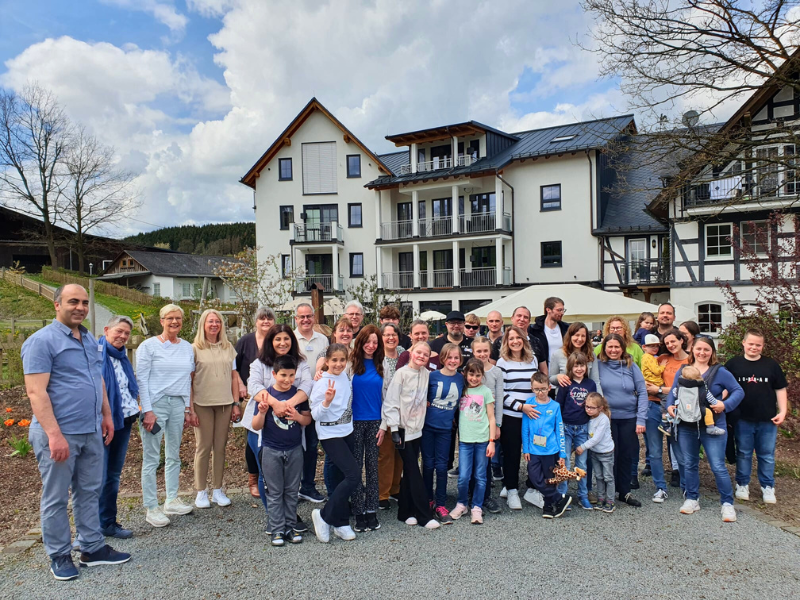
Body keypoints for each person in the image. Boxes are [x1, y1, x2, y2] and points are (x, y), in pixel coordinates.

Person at [22, 284, 131, 580]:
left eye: (84, 302)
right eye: (73, 301)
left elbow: (99, 381)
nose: (80, 307)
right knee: (56, 496)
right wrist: (54, 435)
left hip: (91, 430)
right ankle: (58, 554)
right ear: (57, 304)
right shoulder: (41, 342)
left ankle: (92, 547)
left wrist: (107, 415)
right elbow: (36, 392)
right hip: (60, 432)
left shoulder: (88, 341)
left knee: (89, 490)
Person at [667, 336, 744, 522]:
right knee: (689, 463)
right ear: (692, 349)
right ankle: (692, 498)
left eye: (706, 350)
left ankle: (727, 503)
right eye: (699, 349)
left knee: (718, 466)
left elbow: (738, 391)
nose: (702, 353)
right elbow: (673, 391)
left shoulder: (720, 372)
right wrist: (670, 406)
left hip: (713, 425)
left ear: (712, 352)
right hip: (687, 425)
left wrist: (724, 405)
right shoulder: (684, 370)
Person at [248, 324, 315, 531]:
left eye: (286, 339)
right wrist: (275, 404)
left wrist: (288, 405)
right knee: (266, 474)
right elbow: (254, 386)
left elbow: (306, 386)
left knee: (289, 477)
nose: (282, 343)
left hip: (291, 421)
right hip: (261, 422)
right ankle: (275, 519)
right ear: (270, 341)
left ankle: (288, 518)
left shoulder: (300, 362)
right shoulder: (259, 363)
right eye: (278, 339)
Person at [137, 304, 196, 528]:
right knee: (151, 457)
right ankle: (152, 507)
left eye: (178, 318)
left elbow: (188, 380)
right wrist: (147, 410)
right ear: (161, 321)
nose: (174, 322)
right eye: (169, 318)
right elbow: (141, 380)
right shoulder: (148, 346)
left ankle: (171, 499)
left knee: (174, 454)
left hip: (178, 404)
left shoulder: (187, 347)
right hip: (156, 404)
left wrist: (188, 409)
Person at [379, 341, 441, 530]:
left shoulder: (426, 374)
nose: (421, 356)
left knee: (409, 470)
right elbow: (391, 402)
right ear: (411, 353)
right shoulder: (401, 374)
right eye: (418, 352)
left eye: (426, 354)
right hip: (401, 430)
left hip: (417, 430)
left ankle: (404, 512)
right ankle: (423, 514)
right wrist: (394, 428)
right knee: (414, 471)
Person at [726, 329, 788, 505]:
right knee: (744, 453)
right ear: (743, 343)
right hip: (742, 418)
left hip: (767, 419)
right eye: (751, 343)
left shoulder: (771, 365)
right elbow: (724, 387)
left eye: (758, 345)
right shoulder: (733, 364)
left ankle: (768, 486)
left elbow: (780, 388)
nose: (754, 347)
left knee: (766, 454)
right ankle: (742, 483)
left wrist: (782, 411)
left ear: (763, 346)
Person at [310, 344, 359, 543]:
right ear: (327, 361)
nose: (338, 364)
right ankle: (323, 516)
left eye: (342, 360)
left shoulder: (346, 376)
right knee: (354, 475)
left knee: (341, 478)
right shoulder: (322, 382)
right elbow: (315, 414)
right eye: (334, 360)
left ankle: (340, 521)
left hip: (347, 430)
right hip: (330, 434)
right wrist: (326, 402)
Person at [190, 309, 239, 509]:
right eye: (210, 321)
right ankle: (201, 491)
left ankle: (217, 489)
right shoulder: (194, 349)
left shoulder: (229, 348)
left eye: (217, 321)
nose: (214, 325)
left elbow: (235, 377)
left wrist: (236, 403)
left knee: (220, 447)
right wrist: (190, 408)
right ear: (203, 324)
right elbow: (189, 380)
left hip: (225, 403)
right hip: (202, 403)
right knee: (203, 447)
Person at [98, 316, 139, 539]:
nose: (122, 336)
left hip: (123, 421)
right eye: (119, 331)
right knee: (99, 475)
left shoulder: (123, 357)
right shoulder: (96, 354)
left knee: (113, 474)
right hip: (103, 423)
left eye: (126, 333)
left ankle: (108, 522)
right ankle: (91, 527)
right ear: (106, 329)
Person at [595, 333, 648, 507]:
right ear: (604, 348)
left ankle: (624, 491)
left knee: (626, 455)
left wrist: (641, 419)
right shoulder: (598, 365)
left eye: (617, 347)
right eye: (610, 346)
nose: (613, 350)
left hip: (629, 418)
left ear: (622, 348)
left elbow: (642, 391)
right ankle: (607, 492)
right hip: (607, 419)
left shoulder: (631, 365)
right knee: (609, 455)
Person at [496, 325, 543, 510]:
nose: (515, 341)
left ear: (524, 340)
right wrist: (520, 406)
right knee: (512, 454)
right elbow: (502, 392)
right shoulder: (502, 363)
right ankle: (512, 490)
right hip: (513, 415)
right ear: (506, 342)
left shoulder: (533, 360)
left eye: (518, 338)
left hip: (533, 415)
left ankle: (533, 488)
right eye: (511, 338)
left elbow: (537, 386)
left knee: (534, 453)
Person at [234, 306, 275, 499]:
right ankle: (254, 478)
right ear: (255, 321)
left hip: (273, 399)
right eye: (262, 319)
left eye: (269, 319)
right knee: (252, 441)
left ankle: (271, 479)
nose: (265, 322)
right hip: (249, 397)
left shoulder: (278, 340)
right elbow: (234, 368)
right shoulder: (245, 341)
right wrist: (241, 386)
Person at [450, 359, 496, 524]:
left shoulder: (486, 392)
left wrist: (492, 441)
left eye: (478, 375)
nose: (474, 378)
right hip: (465, 442)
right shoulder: (462, 391)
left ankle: (477, 506)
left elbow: (491, 417)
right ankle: (462, 503)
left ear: (482, 376)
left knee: (480, 476)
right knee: (463, 476)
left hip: (483, 440)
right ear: (465, 374)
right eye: (471, 374)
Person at [421, 343, 463, 523]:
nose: (452, 361)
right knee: (428, 464)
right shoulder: (432, 376)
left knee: (442, 466)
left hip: (446, 429)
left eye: (456, 358)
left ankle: (441, 503)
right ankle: (428, 500)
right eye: (449, 357)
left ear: (460, 360)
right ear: (442, 359)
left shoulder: (461, 379)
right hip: (428, 427)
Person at [644, 328, 689, 495]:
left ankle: (686, 487)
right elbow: (647, 380)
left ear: (681, 341)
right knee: (655, 451)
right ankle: (660, 487)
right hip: (652, 407)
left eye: (673, 341)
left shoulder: (690, 361)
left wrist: (661, 389)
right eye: (667, 343)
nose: (670, 345)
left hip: (677, 410)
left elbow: (687, 387)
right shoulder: (662, 359)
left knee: (679, 450)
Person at [350, 325, 385, 532]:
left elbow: (388, 396)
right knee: (355, 468)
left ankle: (371, 509)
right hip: (354, 422)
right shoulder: (351, 364)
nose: (371, 346)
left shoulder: (381, 365)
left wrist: (384, 425)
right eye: (368, 341)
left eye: (375, 342)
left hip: (375, 422)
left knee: (372, 468)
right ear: (360, 341)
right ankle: (358, 511)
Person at [522, 372, 571, 519]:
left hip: (551, 450)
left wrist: (562, 454)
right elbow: (525, 429)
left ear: (549, 388)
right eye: (537, 389)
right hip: (534, 450)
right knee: (535, 476)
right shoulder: (529, 405)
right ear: (532, 388)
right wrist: (526, 448)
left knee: (549, 479)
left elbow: (559, 430)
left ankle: (548, 506)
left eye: (543, 389)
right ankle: (559, 498)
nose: (540, 392)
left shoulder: (555, 406)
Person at [293, 303, 329, 504]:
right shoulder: (289, 338)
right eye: (301, 317)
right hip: (295, 398)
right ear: (296, 319)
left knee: (312, 444)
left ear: (313, 317)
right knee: (293, 444)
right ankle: (292, 486)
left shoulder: (323, 339)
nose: (305, 320)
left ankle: (307, 486)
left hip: (315, 400)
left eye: (309, 316)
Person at [554, 352, 597, 510]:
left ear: (586, 367)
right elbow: (559, 406)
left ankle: (583, 495)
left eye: (582, 365)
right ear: (570, 367)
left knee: (582, 463)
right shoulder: (566, 384)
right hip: (566, 427)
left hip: (583, 428)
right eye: (575, 365)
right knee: (564, 461)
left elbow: (593, 406)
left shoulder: (590, 384)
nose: (579, 368)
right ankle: (562, 495)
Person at [471, 336, 502, 513]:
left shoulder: (496, 372)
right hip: (471, 423)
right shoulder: (468, 370)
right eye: (478, 351)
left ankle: (485, 497)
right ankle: (470, 494)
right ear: (473, 352)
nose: (482, 354)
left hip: (488, 424)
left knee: (486, 461)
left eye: (485, 351)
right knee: (470, 461)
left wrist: (497, 424)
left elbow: (499, 399)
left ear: (490, 351)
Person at [378, 323, 404, 510]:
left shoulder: (404, 355)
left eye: (393, 334)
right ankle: (382, 494)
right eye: (386, 335)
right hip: (386, 410)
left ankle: (395, 488)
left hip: (405, 412)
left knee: (400, 452)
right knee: (385, 453)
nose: (390, 338)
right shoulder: (379, 359)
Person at [576, 392, 615, 513]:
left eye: (592, 408)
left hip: (606, 452)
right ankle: (601, 498)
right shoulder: (589, 418)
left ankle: (610, 501)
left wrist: (582, 446)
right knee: (598, 476)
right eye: (586, 406)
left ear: (600, 408)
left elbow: (596, 438)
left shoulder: (603, 419)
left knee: (608, 477)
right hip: (594, 452)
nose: (588, 410)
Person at [669, 366, 726, 435]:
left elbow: (675, 394)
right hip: (697, 408)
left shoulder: (679, 387)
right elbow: (710, 398)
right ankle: (710, 428)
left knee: (675, 412)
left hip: (683, 407)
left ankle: (670, 426)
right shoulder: (701, 388)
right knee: (708, 412)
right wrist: (716, 403)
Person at [549, 322, 603, 392]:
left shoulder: (591, 355)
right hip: (564, 398)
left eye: (583, 336)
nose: (580, 339)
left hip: (585, 398)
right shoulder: (558, 354)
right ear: (570, 336)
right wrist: (558, 377)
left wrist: (600, 399)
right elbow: (551, 378)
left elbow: (595, 381)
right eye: (577, 335)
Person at [528, 297, 569, 370]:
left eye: (563, 310)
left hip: (564, 372)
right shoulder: (534, 330)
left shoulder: (566, 328)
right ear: (548, 310)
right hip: (542, 372)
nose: (562, 313)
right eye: (559, 310)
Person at [641, 334, 668, 432]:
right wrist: (662, 366)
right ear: (644, 347)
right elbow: (656, 371)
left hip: (652, 382)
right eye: (652, 346)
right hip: (654, 383)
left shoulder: (648, 357)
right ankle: (665, 419)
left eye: (657, 346)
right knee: (666, 397)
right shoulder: (649, 358)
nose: (655, 348)